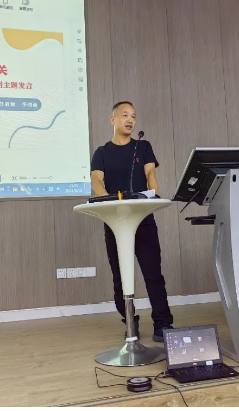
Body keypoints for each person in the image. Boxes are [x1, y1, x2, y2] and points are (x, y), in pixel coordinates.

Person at [90, 101, 174, 342]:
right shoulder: (102, 152)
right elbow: (96, 180)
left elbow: (151, 173)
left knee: (153, 273)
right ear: (113, 120)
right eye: (125, 115)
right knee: (120, 276)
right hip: (115, 222)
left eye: (134, 116)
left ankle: (162, 323)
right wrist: (107, 200)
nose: (130, 120)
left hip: (143, 219)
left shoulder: (143, 146)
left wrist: (153, 195)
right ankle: (130, 321)